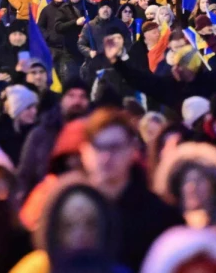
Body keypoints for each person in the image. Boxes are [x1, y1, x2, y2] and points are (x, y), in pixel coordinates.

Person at [78, 108, 183, 269]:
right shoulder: (73, 212)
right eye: (99, 147)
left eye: (115, 147)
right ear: (85, 151)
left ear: (132, 149)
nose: (106, 157)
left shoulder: (161, 215)